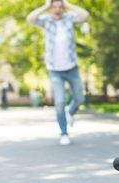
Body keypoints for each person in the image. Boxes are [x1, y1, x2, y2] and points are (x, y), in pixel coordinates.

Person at [27, 0, 89, 145]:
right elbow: (30, 18)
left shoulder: (69, 17)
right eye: (54, 6)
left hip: (72, 67)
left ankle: (70, 112)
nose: (58, 9)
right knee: (60, 101)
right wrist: (45, 6)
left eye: (60, 6)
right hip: (55, 69)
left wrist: (68, 4)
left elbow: (85, 16)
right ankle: (64, 133)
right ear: (51, 8)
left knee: (80, 99)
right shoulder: (46, 20)